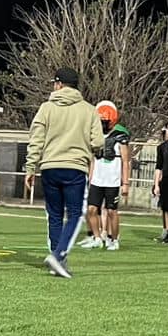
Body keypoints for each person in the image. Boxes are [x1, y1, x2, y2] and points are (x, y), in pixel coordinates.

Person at [24, 67, 104, 278]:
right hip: (75, 167)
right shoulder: (89, 110)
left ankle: (57, 259)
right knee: (76, 214)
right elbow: (97, 142)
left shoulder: (46, 108)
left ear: (58, 84)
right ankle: (58, 256)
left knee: (55, 215)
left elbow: (36, 140)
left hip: (49, 167)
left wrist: (30, 167)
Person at [80, 100, 130, 251]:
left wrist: (125, 183)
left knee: (112, 211)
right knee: (91, 210)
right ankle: (97, 237)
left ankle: (113, 239)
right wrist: (90, 178)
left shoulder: (120, 137)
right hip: (97, 180)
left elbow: (126, 162)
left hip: (112, 181)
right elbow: (92, 161)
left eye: (105, 121)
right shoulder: (95, 136)